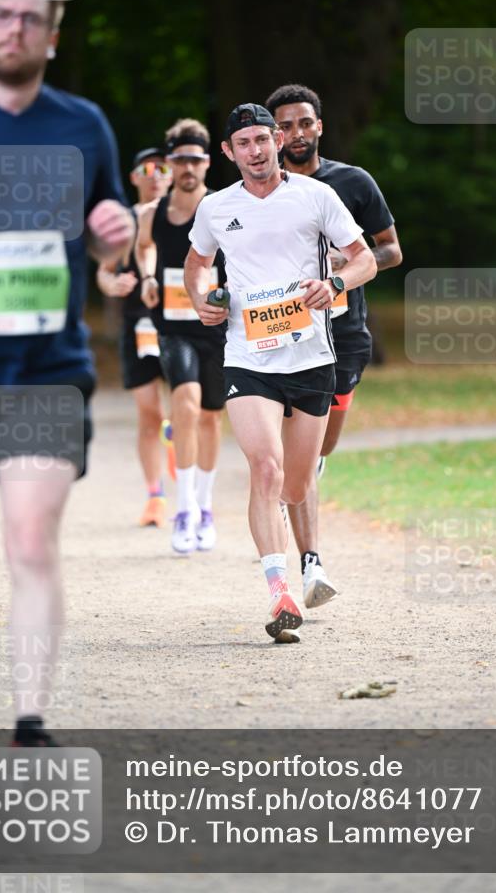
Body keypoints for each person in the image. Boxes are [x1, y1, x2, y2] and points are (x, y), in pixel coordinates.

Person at [0, 0, 134, 745]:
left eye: (32, 20)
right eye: (2, 15)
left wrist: (116, 235)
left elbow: (108, 240)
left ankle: (30, 719)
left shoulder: (81, 124)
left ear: (51, 38)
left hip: (49, 368)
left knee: (29, 540)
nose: (16, 28)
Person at [184, 104, 376, 643]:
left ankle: (308, 554)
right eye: (243, 143)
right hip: (249, 356)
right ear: (229, 152)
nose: (256, 150)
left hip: (312, 357)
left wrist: (336, 285)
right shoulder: (217, 208)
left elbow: (365, 258)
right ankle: (279, 592)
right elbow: (197, 264)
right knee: (264, 469)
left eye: (263, 140)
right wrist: (202, 298)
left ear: (277, 141)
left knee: (295, 482)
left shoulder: (317, 196)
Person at [265, 83, 402, 608]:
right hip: (278, 332)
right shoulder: (260, 193)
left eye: (304, 123)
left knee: (321, 449)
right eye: (285, 126)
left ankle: (299, 484)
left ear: (319, 126)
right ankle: (301, 551)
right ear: (273, 134)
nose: (296, 134)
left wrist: (345, 265)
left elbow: (390, 250)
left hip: (343, 334)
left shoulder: (352, 182)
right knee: (283, 453)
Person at [136, 119, 225, 554]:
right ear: (169, 164)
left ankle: (205, 507)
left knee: (210, 416)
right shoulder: (154, 213)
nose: (187, 166)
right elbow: (144, 246)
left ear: (207, 162)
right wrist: (148, 276)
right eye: (179, 160)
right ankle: (184, 508)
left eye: (195, 159)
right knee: (184, 404)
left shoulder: (224, 207)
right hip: (172, 325)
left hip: (216, 326)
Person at [96, 147, 174, 527]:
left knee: (187, 408)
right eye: (148, 168)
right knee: (150, 414)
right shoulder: (124, 224)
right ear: (134, 177)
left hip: (181, 326)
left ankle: (186, 470)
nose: (156, 174)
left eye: (163, 167)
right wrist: (114, 284)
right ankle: (154, 496)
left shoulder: (188, 216)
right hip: (138, 327)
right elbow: (104, 272)